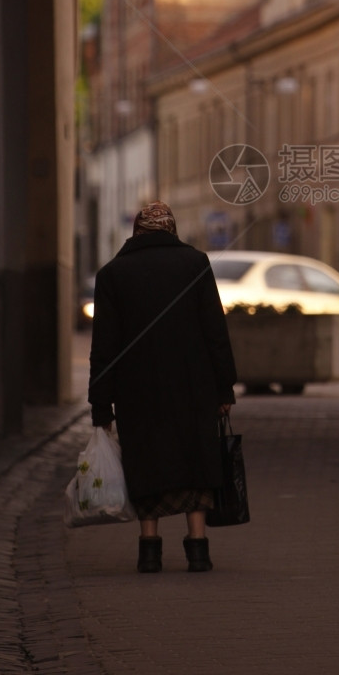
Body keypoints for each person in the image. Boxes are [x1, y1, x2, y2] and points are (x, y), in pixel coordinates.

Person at [88, 201, 237, 574]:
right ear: (171, 229)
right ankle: (198, 548)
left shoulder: (112, 274)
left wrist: (101, 406)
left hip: (137, 390)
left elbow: (103, 347)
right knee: (195, 461)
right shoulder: (195, 264)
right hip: (194, 385)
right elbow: (215, 333)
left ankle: (149, 549)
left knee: (147, 462)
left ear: (136, 231)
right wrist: (224, 389)